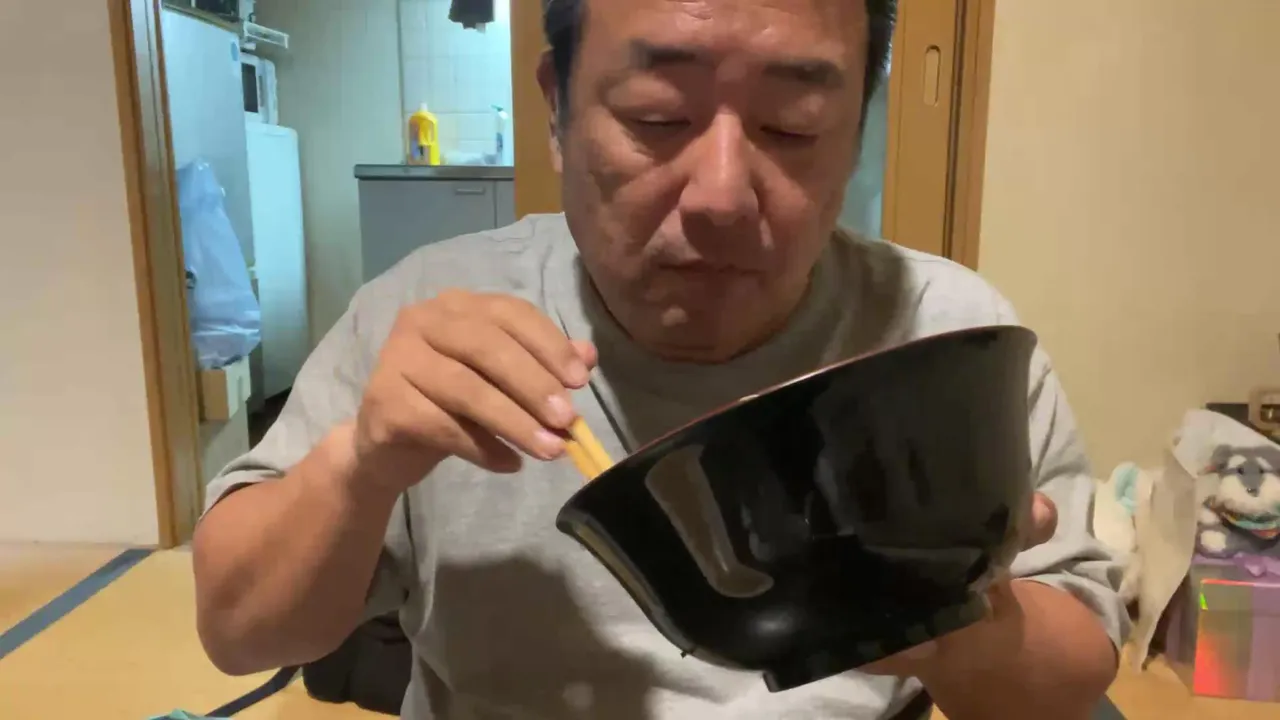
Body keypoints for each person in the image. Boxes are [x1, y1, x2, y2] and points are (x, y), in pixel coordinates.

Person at [192, 0, 1127, 717]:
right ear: (557, 108)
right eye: (657, 115)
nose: (721, 195)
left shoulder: (946, 342)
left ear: (855, 131)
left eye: (792, 125)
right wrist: (360, 468)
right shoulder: (430, 317)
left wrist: (945, 624)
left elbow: (1075, 673)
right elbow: (237, 633)